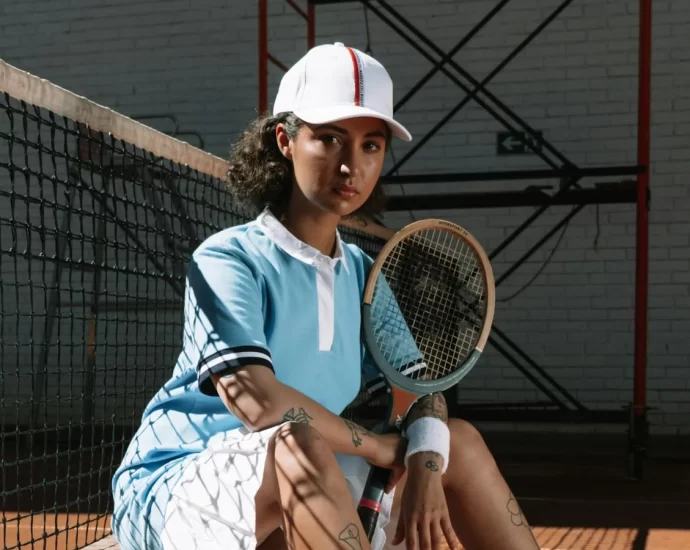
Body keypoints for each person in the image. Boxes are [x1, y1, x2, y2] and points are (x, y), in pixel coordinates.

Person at [111, 42, 541, 550]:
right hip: (179, 490)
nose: (350, 166)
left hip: (306, 471)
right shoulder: (227, 258)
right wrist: (381, 448)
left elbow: (421, 393)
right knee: (297, 442)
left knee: (458, 444)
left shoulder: (363, 274)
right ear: (285, 140)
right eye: (330, 139)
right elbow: (259, 404)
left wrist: (425, 460)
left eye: (371, 146)